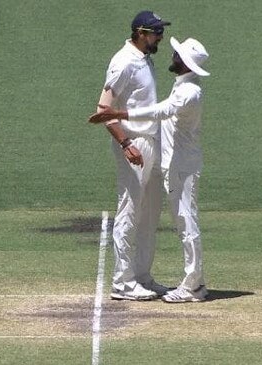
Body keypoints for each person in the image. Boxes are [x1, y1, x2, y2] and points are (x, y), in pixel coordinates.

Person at [90, 37, 211, 303]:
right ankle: (158, 280)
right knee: (181, 221)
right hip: (174, 163)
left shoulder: (188, 91)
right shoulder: (183, 85)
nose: (173, 56)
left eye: (178, 55)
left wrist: (121, 115)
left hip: (182, 165)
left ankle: (193, 285)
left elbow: (161, 111)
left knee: (186, 222)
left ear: (186, 64)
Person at [96, 11, 171, 301]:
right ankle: (122, 282)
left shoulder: (145, 59)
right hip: (134, 145)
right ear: (140, 33)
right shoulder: (123, 62)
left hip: (151, 141)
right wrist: (126, 143)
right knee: (130, 210)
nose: (160, 38)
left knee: (150, 213)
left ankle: (142, 276)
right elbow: (104, 110)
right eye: (155, 33)